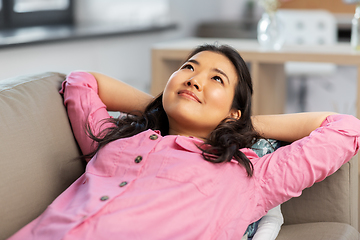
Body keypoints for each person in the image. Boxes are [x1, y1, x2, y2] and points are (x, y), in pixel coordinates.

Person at [8, 44, 360, 240]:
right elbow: (81, 82)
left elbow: (346, 128)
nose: (194, 80)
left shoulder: (248, 175)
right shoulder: (114, 142)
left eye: (216, 78)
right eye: (189, 68)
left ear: (233, 111)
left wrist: (244, 126)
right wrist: (157, 106)